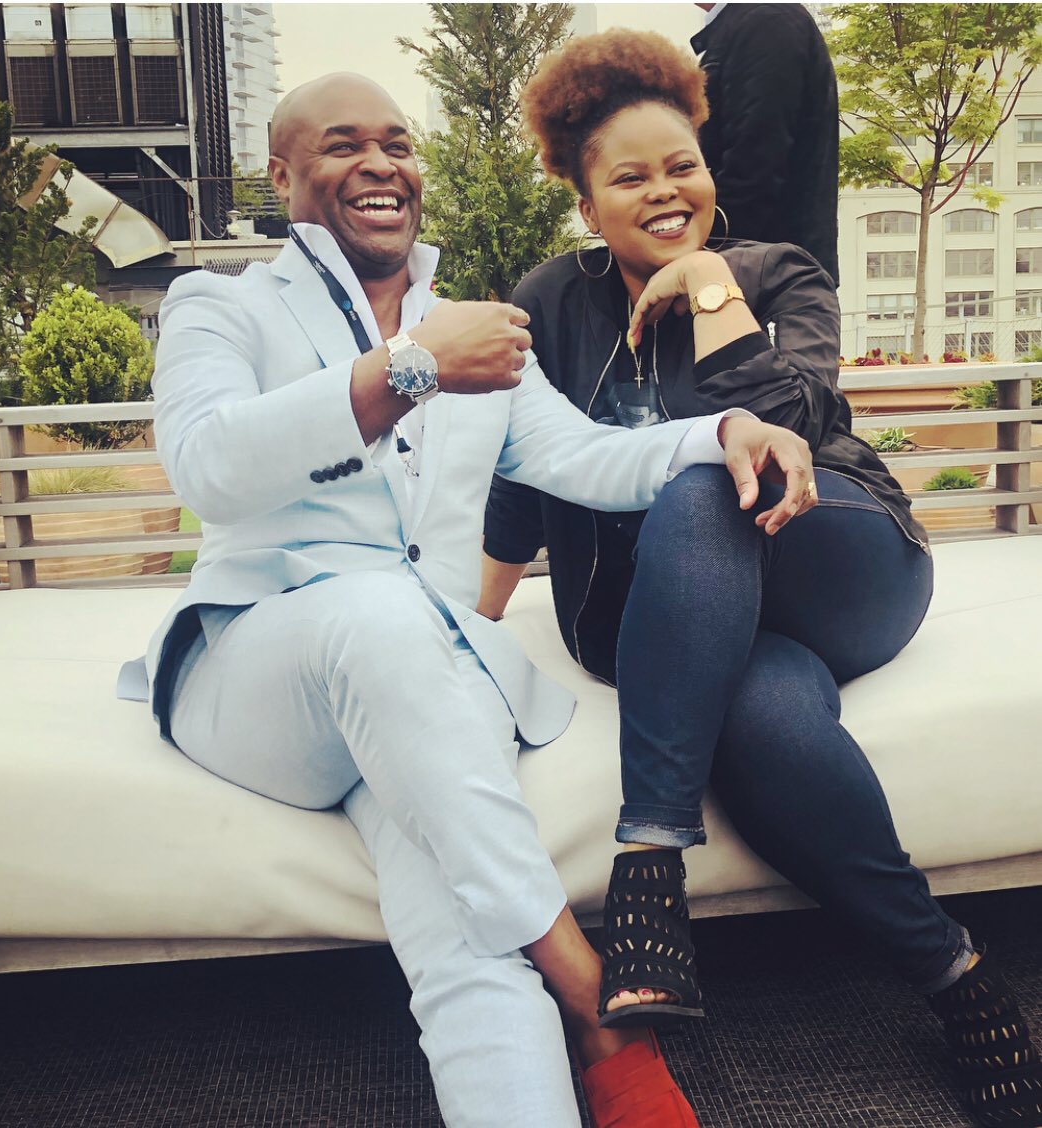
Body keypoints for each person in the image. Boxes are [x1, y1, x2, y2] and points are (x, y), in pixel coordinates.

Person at [122, 71, 820, 1128]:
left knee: (459, 931)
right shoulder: (220, 304)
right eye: (343, 144)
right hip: (260, 675)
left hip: (418, 689)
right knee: (375, 613)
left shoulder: (475, 332)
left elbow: (583, 456)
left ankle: (559, 1075)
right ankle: (587, 988)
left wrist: (722, 432)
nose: (380, 164)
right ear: (281, 174)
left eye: (398, 144)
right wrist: (408, 369)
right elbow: (209, 466)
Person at [480, 30, 1042, 1128]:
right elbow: (518, 476)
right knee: (761, 715)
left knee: (709, 466)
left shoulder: (775, 271)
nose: (664, 190)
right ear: (586, 203)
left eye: (681, 165)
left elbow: (799, 424)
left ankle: (649, 859)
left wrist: (709, 287)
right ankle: (956, 977)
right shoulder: (549, 302)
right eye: (630, 177)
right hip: (671, 614)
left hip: (835, 559)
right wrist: (474, 622)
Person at [690, 3, 839, 285]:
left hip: (771, 281)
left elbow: (754, 169)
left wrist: (695, 257)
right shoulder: (755, 20)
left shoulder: (768, 21)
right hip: (763, 271)